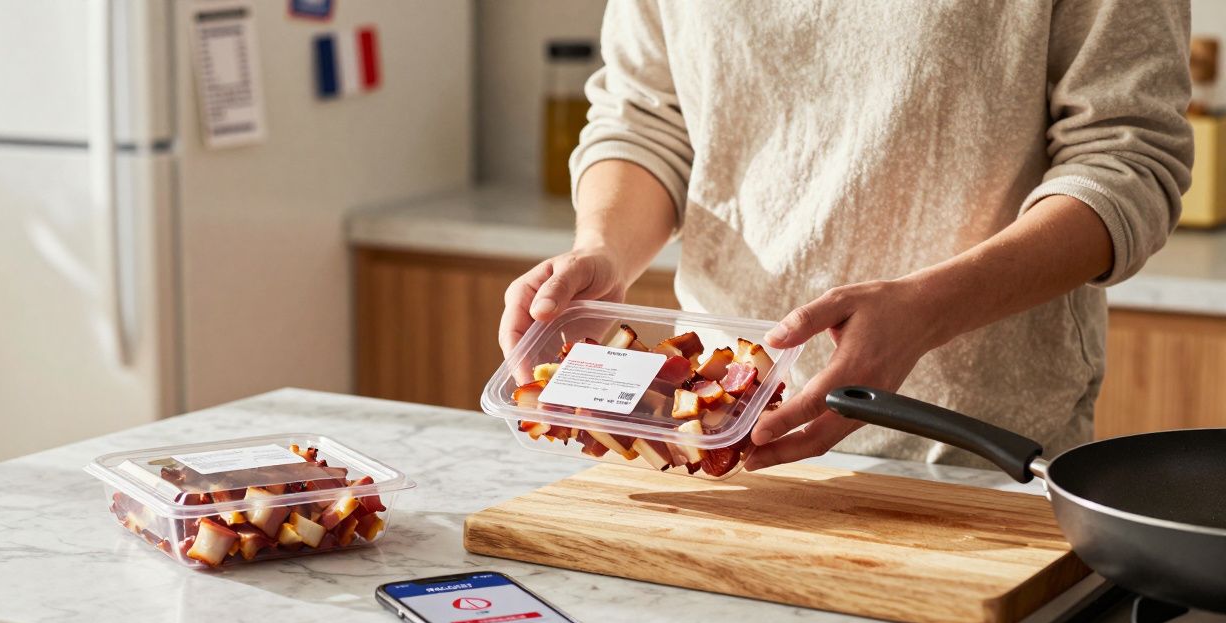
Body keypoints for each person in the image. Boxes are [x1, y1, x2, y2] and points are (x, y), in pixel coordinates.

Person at [499, 1, 1193, 470]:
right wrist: (603, 247)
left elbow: (1127, 162)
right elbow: (648, 116)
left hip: (974, 450)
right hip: (718, 443)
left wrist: (927, 310)